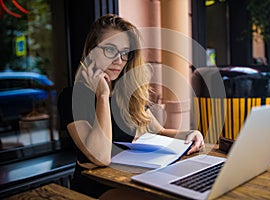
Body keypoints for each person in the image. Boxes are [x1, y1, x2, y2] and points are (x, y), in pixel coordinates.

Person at [57, 14, 205, 199]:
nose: (119, 60)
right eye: (110, 50)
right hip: (97, 189)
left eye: (125, 53)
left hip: (131, 180)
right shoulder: (73, 98)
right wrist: (102, 95)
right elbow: (100, 156)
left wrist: (189, 134)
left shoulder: (126, 95)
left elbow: (159, 131)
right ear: (91, 50)